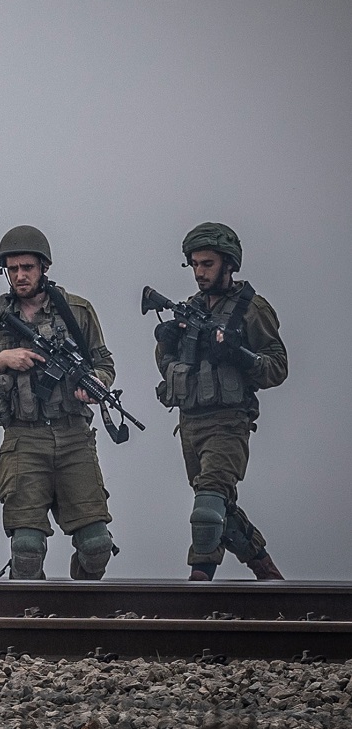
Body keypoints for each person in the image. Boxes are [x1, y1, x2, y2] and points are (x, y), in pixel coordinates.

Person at [0, 225, 118, 580]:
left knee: (96, 545)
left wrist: (95, 385)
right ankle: (31, 619)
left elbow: (104, 364)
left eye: (27, 268)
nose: (20, 275)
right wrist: (2, 360)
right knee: (27, 548)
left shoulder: (76, 311)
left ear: (43, 268)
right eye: (13, 269)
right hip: (23, 439)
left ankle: (78, 613)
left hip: (74, 435)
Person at [154, 223, 288, 581]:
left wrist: (240, 355)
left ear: (229, 264)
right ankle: (267, 572)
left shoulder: (252, 309)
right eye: (195, 264)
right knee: (218, 508)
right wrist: (166, 345)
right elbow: (168, 365)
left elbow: (277, 367)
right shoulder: (190, 309)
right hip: (190, 423)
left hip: (228, 422)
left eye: (207, 264)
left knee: (207, 511)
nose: (199, 272)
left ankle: (199, 585)